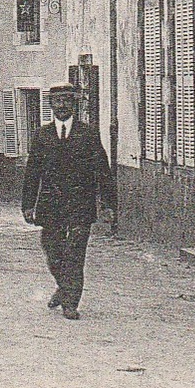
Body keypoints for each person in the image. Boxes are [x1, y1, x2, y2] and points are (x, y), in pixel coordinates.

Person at [21, 85, 117, 320]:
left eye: (66, 100)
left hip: (80, 205)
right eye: (57, 101)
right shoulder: (41, 135)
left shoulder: (88, 133)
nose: (62, 105)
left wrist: (108, 204)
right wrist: (28, 204)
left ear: (74, 104)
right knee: (52, 251)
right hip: (50, 205)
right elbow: (32, 172)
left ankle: (70, 302)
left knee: (75, 253)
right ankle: (64, 287)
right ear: (51, 105)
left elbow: (102, 170)